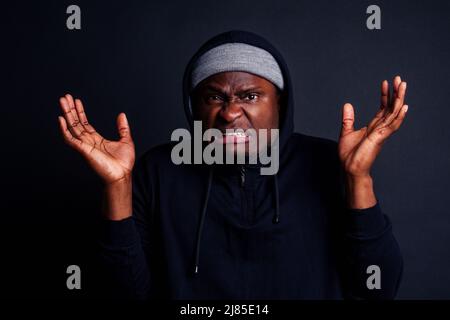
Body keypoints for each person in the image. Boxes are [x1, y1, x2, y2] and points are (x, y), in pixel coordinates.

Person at [57, 30, 407, 299]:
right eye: (214, 97)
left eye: (250, 96)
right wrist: (117, 187)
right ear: (194, 107)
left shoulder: (328, 165)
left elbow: (377, 291)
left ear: (279, 105)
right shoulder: (157, 172)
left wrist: (358, 179)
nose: (229, 113)